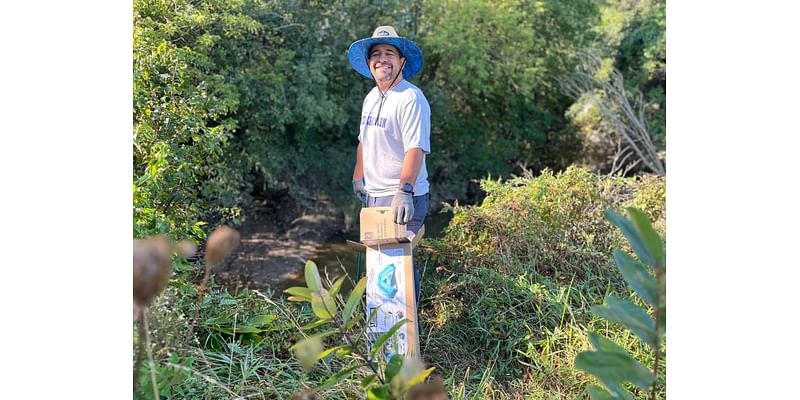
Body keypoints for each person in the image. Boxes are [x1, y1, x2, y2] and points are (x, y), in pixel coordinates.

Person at [348, 25, 431, 303]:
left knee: (398, 264)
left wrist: (404, 190)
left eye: (390, 53)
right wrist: (358, 178)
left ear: (402, 62)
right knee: (378, 263)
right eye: (376, 54)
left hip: (404, 196)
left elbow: (415, 148)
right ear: (370, 63)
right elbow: (364, 140)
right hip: (375, 196)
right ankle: (380, 338)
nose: (382, 59)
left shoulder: (410, 98)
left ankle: (409, 337)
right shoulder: (371, 97)